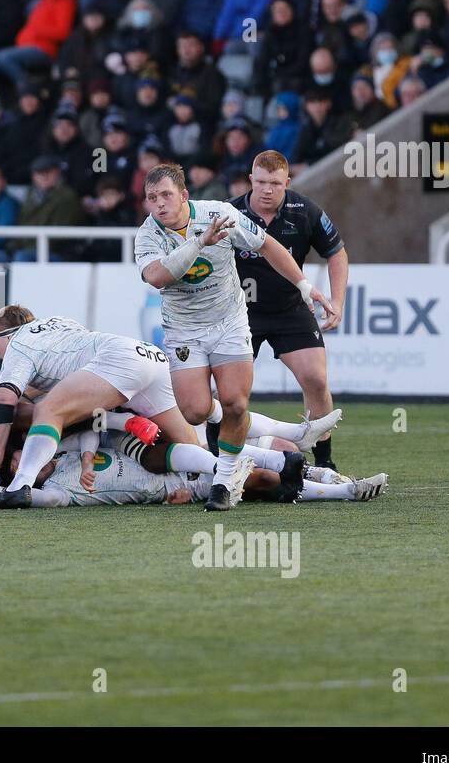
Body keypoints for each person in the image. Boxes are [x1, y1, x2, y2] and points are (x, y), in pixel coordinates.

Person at [134, 162, 336, 511]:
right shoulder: (148, 234)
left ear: (184, 195)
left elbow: (269, 246)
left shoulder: (220, 214)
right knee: (195, 411)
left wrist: (304, 285)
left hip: (229, 322)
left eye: (166, 195)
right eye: (152, 198)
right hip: (185, 330)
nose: (159, 204)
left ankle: (225, 483)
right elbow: (158, 277)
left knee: (235, 403)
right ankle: (290, 432)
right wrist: (201, 241)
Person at [0, 306, 317, 509]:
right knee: (193, 447)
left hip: (119, 363)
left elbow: (5, 398)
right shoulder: (54, 327)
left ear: (10, 333)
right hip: (147, 357)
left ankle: (18, 487)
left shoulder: (19, 345)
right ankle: (282, 464)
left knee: (48, 411)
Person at [232, 150, 348, 469]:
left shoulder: (305, 211)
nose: (267, 189)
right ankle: (220, 457)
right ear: (250, 180)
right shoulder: (229, 214)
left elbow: (337, 253)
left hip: (290, 308)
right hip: (240, 315)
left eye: (275, 183)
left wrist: (337, 301)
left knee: (316, 380)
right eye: (260, 182)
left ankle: (324, 462)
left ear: (287, 181)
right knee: (230, 393)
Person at [0, 430, 388, 507]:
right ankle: (343, 492)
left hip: (179, 449)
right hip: (173, 486)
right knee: (258, 478)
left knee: (278, 447)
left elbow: (95, 427)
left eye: (20, 455)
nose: (23, 462)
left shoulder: (68, 447)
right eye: (17, 466)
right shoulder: (60, 491)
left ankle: (323, 474)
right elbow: (38, 499)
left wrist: (92, 456)